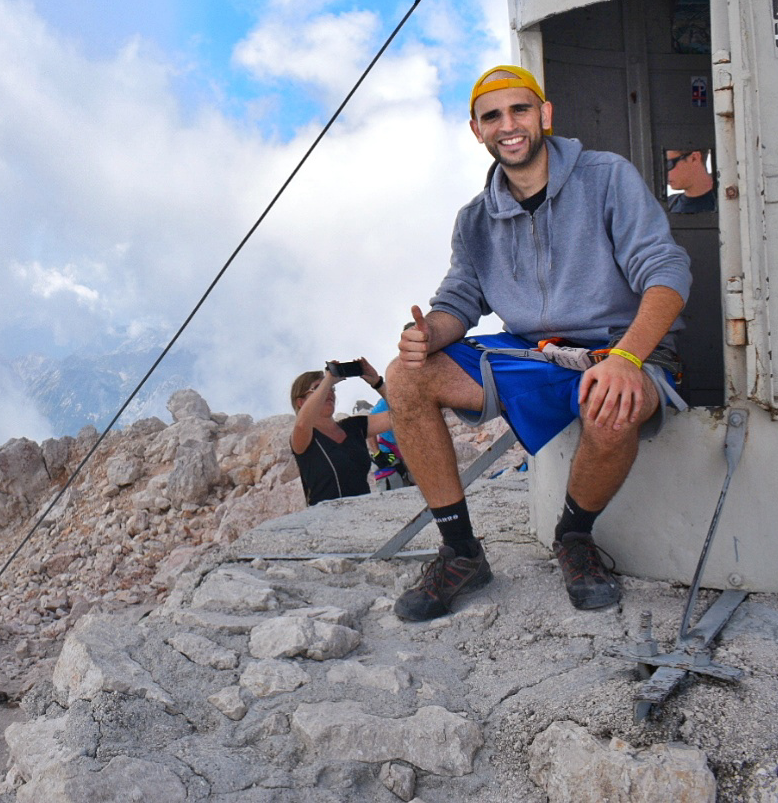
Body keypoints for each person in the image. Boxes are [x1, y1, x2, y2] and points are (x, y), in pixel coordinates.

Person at [384, 65, 691, 621]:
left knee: (611, 399)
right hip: (536, 354)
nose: (508, 125)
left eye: (519, 109)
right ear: (477, 131)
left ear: (544, 115)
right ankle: (460, 553)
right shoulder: (474, 219)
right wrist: (428, 333)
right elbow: (458, 301)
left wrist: (627, 357)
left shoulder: (606, 177)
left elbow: (666, 271)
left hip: (622, 348)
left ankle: (574, 538)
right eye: (492, 116)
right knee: (405, 374)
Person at [289, 359, 394, 505]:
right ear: (301, 403)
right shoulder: (304, 437)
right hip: (325, 521)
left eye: (332, 389)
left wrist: (377, 382)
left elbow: (403, 414)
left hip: (364, 515)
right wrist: (328, 381)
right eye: (318, 388)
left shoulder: (354, 426)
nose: (329, 392)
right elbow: (301, 425)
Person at [665, 149, 717, 213]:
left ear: (694, 158)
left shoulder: (728, 204)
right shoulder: (666, 205)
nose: (664, 173)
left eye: (668, 164)